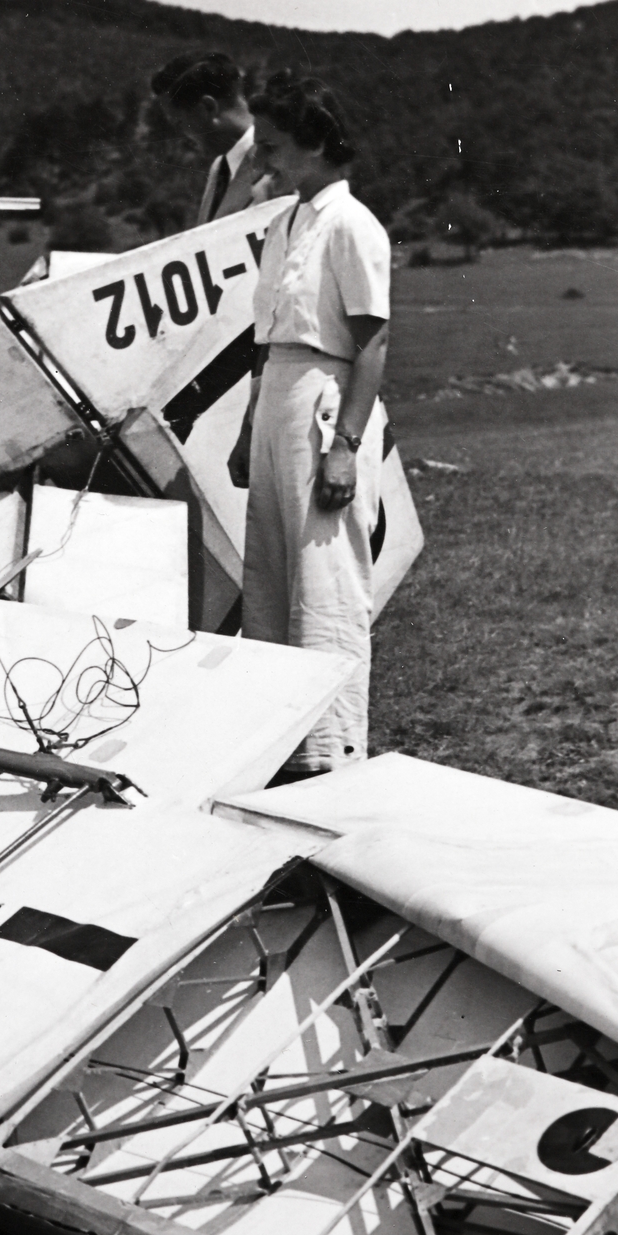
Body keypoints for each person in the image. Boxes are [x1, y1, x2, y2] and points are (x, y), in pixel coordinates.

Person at [227, 72, 389, 776]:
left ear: (318, 143)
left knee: (324, 581)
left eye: (275, 146)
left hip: (326, 398)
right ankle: (281, 747)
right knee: (269, 571)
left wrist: (345, 448)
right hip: (277, 401)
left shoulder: (352, 225)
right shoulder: (284, 224)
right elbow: (267, 338)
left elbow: (374, 343)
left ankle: (333, 751)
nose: (262, 160)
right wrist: (246, 426)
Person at [151, 51, 274, 224]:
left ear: (208, 108)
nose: (181, 136)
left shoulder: (281, 164)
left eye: (179, 123)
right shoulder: (220, 169)